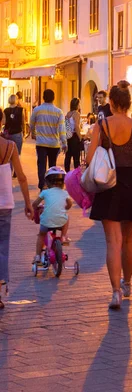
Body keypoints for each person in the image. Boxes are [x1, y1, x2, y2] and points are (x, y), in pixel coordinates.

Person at [87, 80, 132, 310]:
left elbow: (89, 160)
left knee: (112, 241)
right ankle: (127, 283)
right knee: (129, 240)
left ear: (112, 103)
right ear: (127, 104)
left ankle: (115, 292)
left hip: (109, 183)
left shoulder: (101, 125)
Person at [0, 135, 32, 308]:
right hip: (5, 203)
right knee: (2, 247)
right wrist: (28, 203)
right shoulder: (10, 146)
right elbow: (21, 177)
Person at [32, 166, 73, 264]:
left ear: (47, 182)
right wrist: (65, 208)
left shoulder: (45, 192)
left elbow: (34, 204)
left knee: (41, 235)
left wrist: (35, 208)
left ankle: (37, 256)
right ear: (63, 182)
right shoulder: (64, 193)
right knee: (66, 217)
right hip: (60, 222)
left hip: (46, 222)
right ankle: (63, 236)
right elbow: (69, 204)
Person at [30, 89, 67, 192]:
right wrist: (64, 143)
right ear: (53, 98)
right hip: (54, 144)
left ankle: (42, 185)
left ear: (43, 97)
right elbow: (62, 129)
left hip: (41, 142)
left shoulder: (37, 110)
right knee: (52, 166)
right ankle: (51, 185)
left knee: (41, 164)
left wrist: (33, 133)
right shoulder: (58, 112)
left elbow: (31, 123)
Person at [64, 98, 82, 172]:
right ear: (77, 105)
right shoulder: (76, 114)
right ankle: (76, 174)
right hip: (74, 136)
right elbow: (76, 126)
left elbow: (67, 126)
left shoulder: (68, 113)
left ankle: (67, 173)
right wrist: (80, 137)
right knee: (76, 157)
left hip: (68, 136)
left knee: (68, 156)